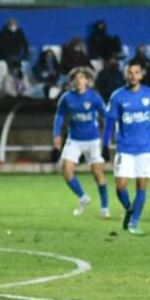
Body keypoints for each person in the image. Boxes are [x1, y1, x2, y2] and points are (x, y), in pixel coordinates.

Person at [102, 63, 150, 235]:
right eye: (129, 72)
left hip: (144, 148)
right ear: (125, 75)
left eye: (136, 72)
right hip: (124, 148)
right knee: (120, 186)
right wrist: (105, 145)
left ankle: (134, 222)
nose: (133, 76)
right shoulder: (117, 96)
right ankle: (130, 209)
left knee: (141, 185)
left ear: (141, 75)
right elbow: (109, 123)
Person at [53, 68, 111, 219]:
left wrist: (108, 136)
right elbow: (59, 116)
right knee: (65, 169)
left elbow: (106, 115)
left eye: (81, 78)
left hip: (92, 139)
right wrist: (56, 134)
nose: (78, 81)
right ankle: (83, 197)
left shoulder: (94, 97)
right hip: (74, 139)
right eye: (75, 78)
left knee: (97, 172)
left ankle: (105, 207)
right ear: (72, 82)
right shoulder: (67, 98)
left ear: (87, 81)